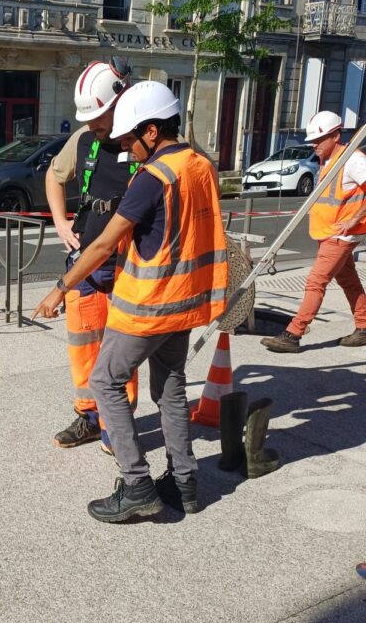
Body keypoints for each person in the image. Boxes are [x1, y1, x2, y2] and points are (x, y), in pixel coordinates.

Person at [34, 81, 228, 523]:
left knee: (104, 382)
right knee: (172, 389)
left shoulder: (153, 178)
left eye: (129, 137)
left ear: (153, 131)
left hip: (149, 305)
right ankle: (184, 483)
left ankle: (137, 483)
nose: (123, 146)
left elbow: (102, 246)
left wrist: (59, 288)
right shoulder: (200, 165)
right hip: (186, 303)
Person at [45, 57, 138, 451]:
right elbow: (54, 174)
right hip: (85, 263)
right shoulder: (84, 140)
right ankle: (88, 415)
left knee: (121, 352)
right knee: (83, 346)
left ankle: (117, 423)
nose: (92, 126)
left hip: (126, 266)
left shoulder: (143, 140)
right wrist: (61, 224)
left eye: (98, 116)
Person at [261, 110, 366, 352]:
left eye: (320, 140)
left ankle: (293, 334)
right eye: (313, 141)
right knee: (348, 280)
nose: (314, 145)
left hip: (340, 235)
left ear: (336, 136)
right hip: (329, 231)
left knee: (316, 282)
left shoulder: (352, 160)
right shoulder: (329, 159)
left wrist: (354, 220)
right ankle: (363, 326)